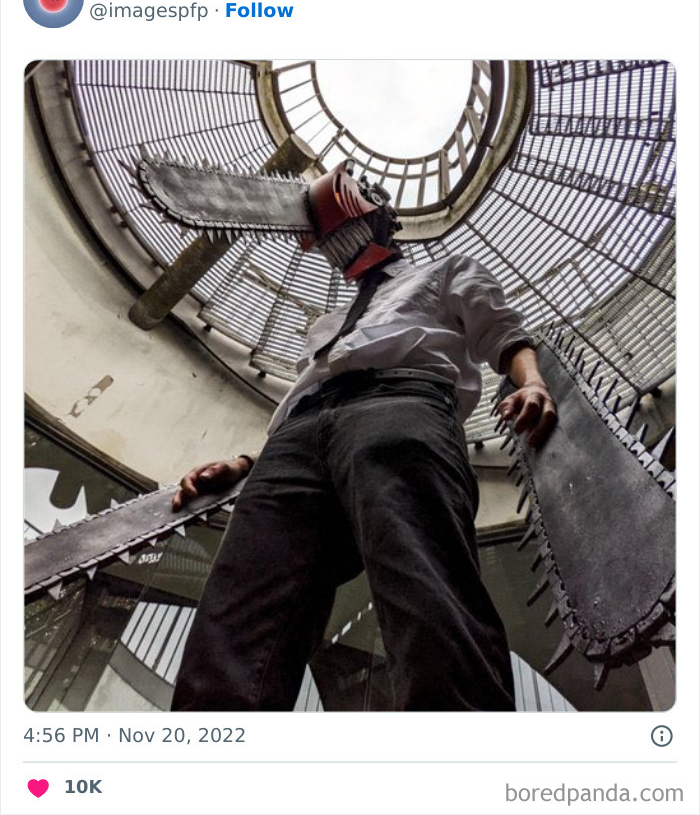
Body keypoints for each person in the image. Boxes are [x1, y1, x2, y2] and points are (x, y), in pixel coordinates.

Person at [170, 173, 557, 712]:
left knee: (424, 585)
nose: (334, 248)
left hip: (401, 402)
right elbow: (314, 387)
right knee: (238, 608)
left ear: (379, 218)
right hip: (296, 436)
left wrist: (532, 383)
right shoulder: (327, 322)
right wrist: (246, 462)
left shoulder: (447, 270)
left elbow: (502, 331)